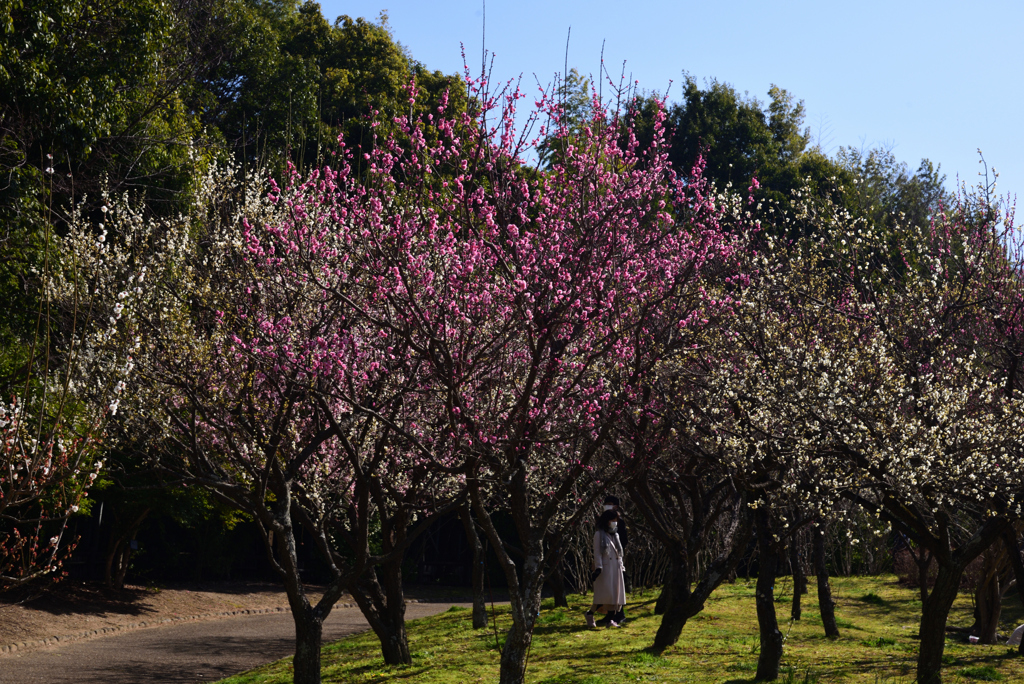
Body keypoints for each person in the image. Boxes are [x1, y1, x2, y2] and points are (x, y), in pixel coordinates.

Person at [586, 509, 626, 628]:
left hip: (616, 569)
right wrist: (598, 567)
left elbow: (619, 553)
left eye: (615, 520)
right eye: (612, 520)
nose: (614, 522)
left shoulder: (616, 534)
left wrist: (622, 566)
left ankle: (610, 620)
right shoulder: (599, 534)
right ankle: (590, 614)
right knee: (604, 596)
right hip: (605, 569)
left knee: (614, 596)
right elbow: (597, 553)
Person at [603, 495, 628, 624]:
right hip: (605, 559)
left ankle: (619, 614)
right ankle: (609, 614)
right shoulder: (602, 521)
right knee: (607, 588)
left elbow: (623, 540)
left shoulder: (619, 521)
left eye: (610, 503)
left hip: (615, 558)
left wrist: (617, 552)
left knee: (617, 587)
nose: (607, 506)